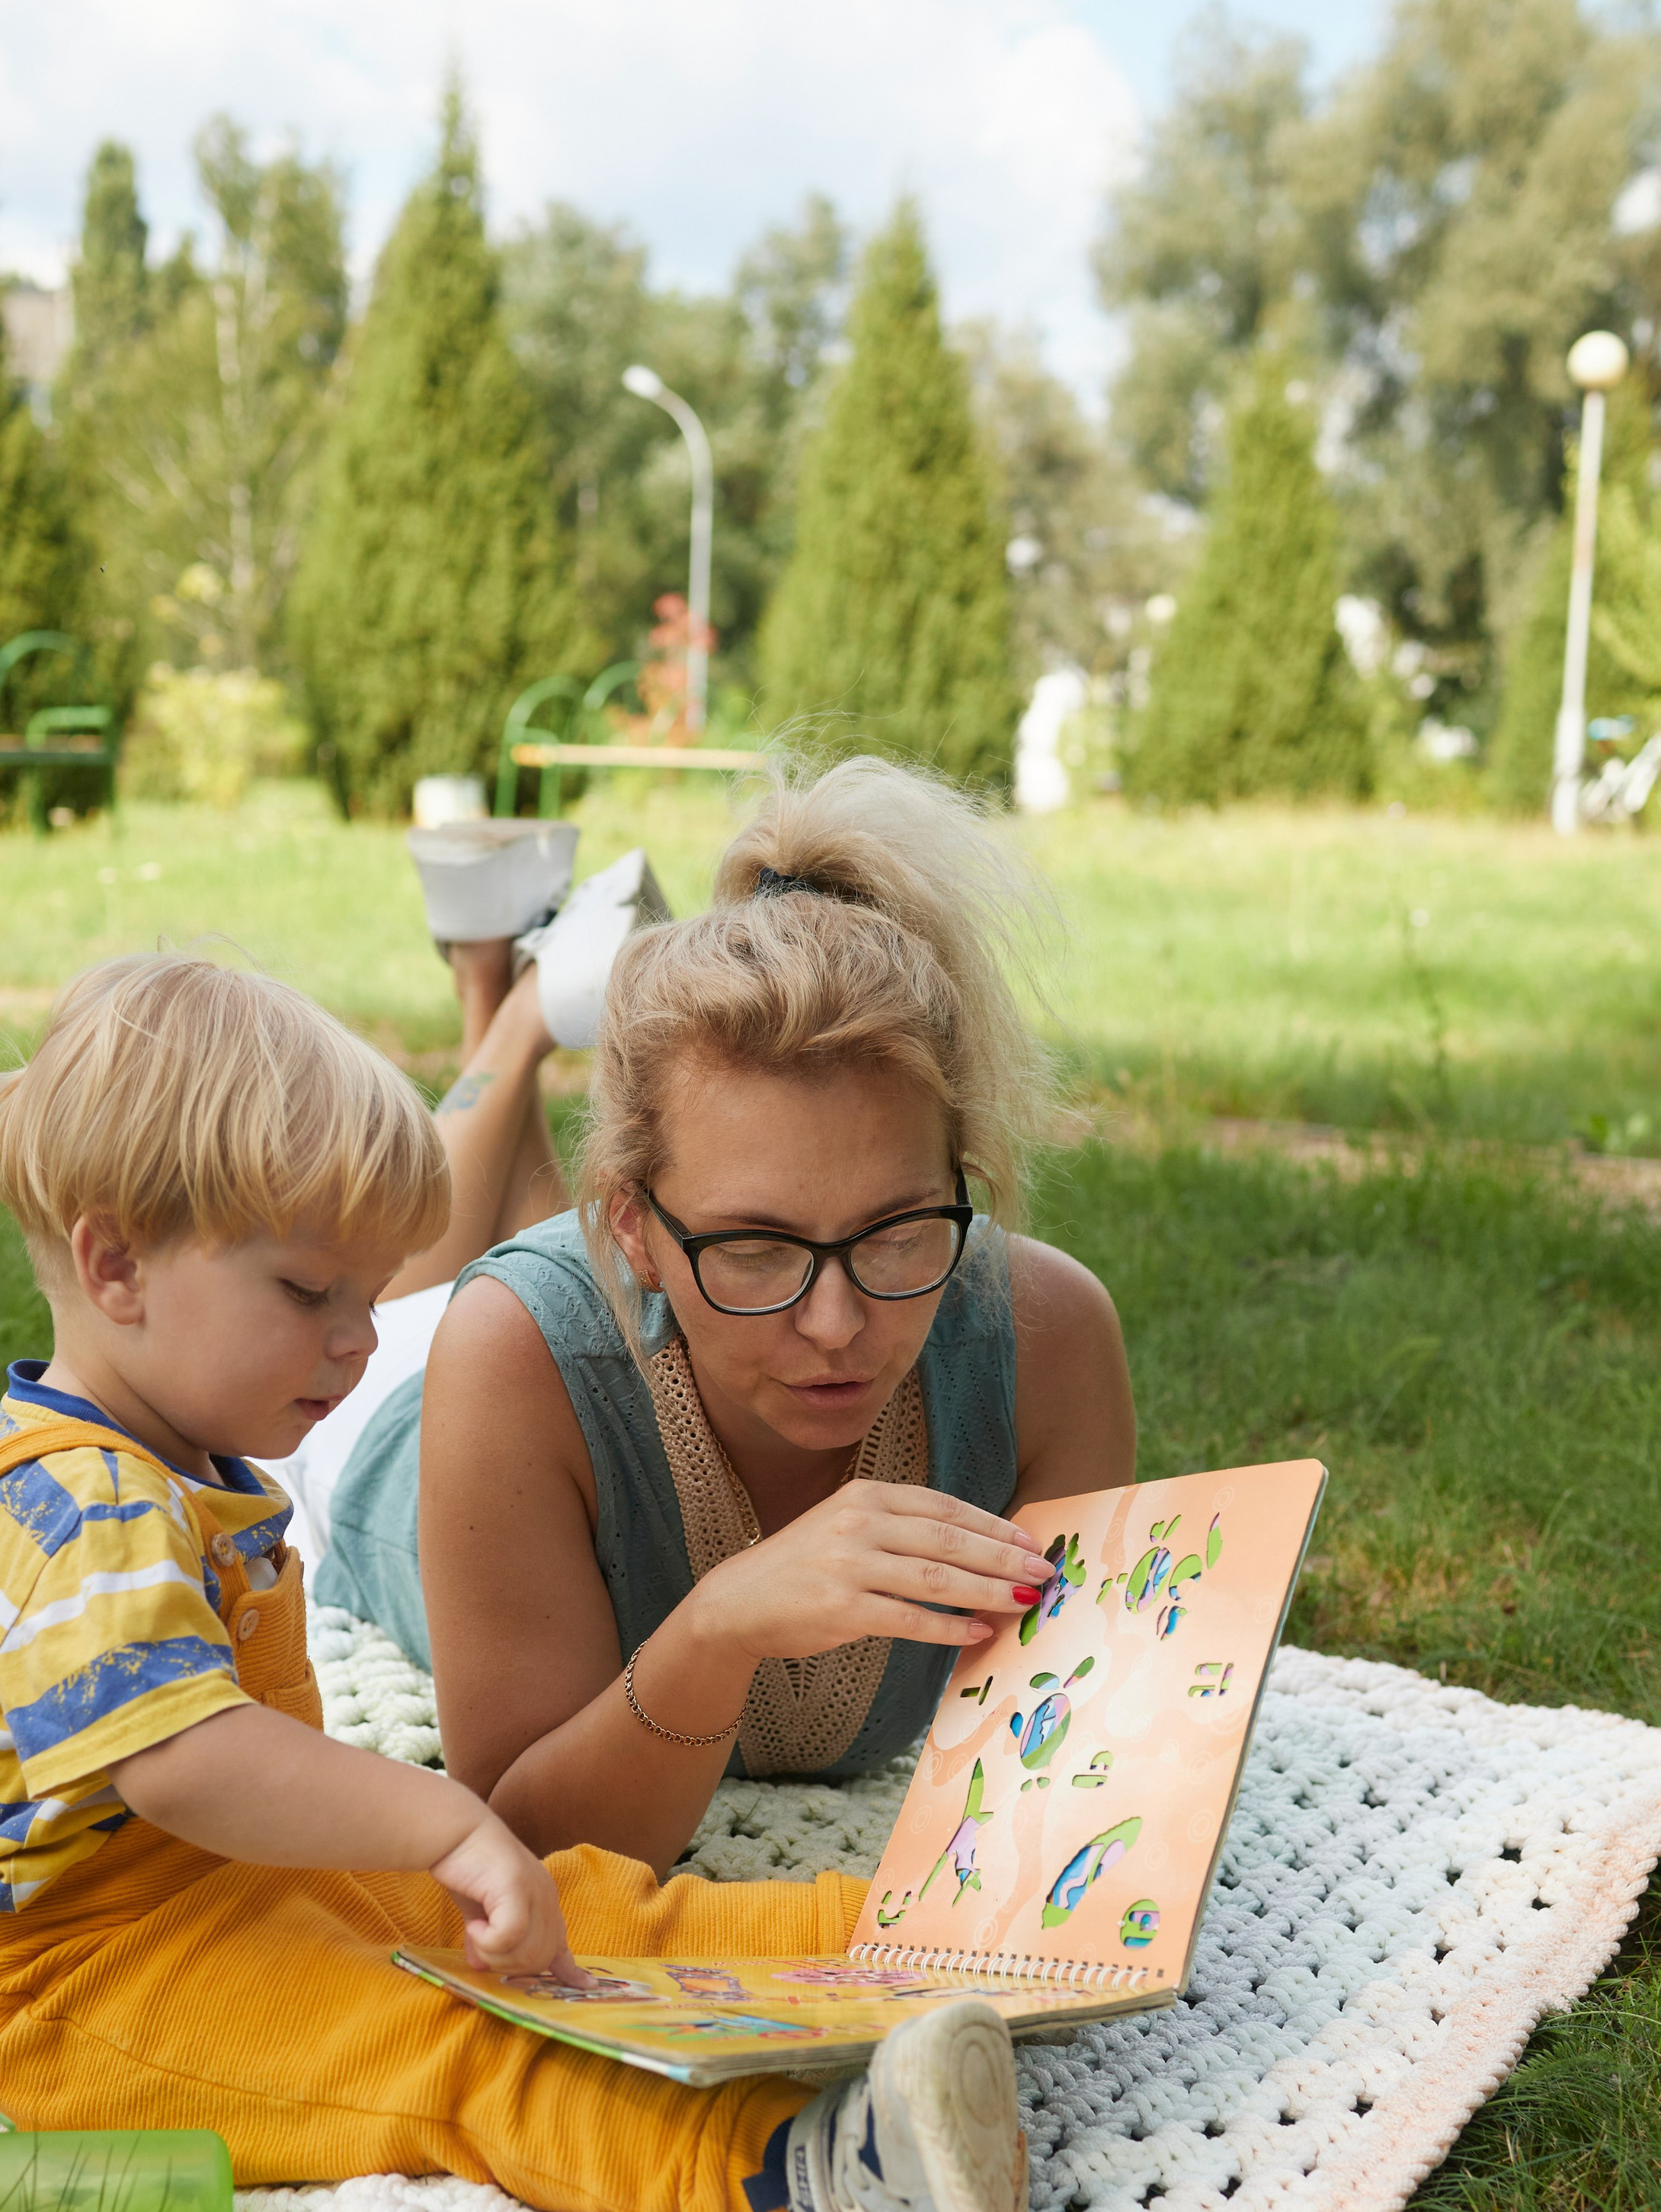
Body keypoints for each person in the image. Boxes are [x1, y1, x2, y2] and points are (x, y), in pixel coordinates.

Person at [0, 950, 1030, 2212]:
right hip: (89, 1991)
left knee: (589, 1912)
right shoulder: (74, 1504)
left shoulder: (176, 1464)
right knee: (450, 2050)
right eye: (309, 1296)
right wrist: (445, 1824)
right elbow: (186, 1762)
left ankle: (925, 1942)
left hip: (243, 1887)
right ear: (115, 1263)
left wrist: (433, 1850)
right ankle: (818, 2178)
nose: (360, 1345)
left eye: (370, 1296)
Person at [310, 758, 1136, 1875]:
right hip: (396, 1416)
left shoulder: (1048, 1336)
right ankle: (507, 1019)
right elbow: (523, 1843)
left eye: (898, 1231)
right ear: (635, 1233)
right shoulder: (510, 1352)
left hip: (607, 1314)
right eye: (754, 1250)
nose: (838, 1324)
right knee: (423, 1281)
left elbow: (1078, 1770)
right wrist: (717, 1629)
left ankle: (512, 987)